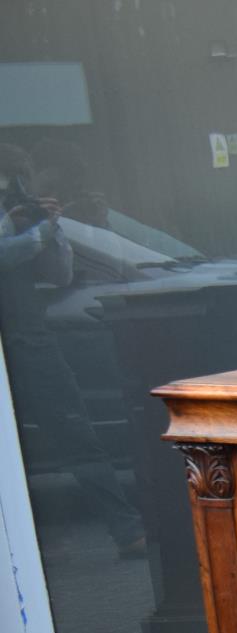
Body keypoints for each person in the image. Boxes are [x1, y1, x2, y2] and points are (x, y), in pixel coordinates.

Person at [0, 145, 147, 558]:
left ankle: (127, 530)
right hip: (20, 338)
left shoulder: (25, 220)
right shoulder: (11, 224)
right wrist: (20, 230)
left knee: (77, 433)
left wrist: (53, 228)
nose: (13, 194)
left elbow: (60, 273)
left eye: (17, 185)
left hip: (29, 339)